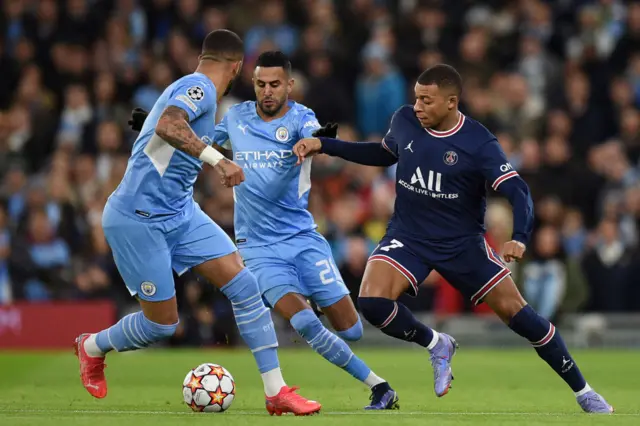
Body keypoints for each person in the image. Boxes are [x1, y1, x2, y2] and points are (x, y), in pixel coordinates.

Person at [292, 64, 613, 414]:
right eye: (416, 97)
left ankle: (584, 391)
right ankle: (436, 343)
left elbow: (518, 191)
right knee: (372, 303)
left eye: (426, 100)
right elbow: (384, 153)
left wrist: (520, 237)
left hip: (462, 244)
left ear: (451, 102)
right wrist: (325, 144)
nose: (417, 106)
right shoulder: (405, 120)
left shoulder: (479, 142)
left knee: (522, 318)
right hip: (409, 235)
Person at [128, 51, 399, 411]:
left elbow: (314, 136)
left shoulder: (302, 117)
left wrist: (312, 141)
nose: (267, 91)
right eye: (260, 84)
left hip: (303, 239)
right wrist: (151, 123)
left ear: (289, 85)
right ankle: (380, 387)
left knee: (351, 329)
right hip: (257, 247)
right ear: (252, 84)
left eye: (274, 84)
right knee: (304, 323)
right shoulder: (235, 118)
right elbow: (202, 140)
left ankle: (319, 303)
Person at [74, 30, 321, 417]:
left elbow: (169, 133)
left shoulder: (196, 93)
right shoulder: (199, 87)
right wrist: (218, 161)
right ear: (238, 67)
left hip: (180, 212)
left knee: (244, 284)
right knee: (161, 326)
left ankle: (277, 392)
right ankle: (91, 347)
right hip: (138, 219)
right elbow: (168, 126)